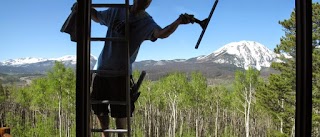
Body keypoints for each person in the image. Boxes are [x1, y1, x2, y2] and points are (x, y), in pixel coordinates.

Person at [90, 0, 194, 136]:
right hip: (101, 71)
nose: (145, 1)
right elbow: (97, 16)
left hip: (121, 74)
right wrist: (83, 8)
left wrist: (178, 21)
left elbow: (162, 33)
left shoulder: (146, 22)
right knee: (100, 112)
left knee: (121, 117)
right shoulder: (118, 11)